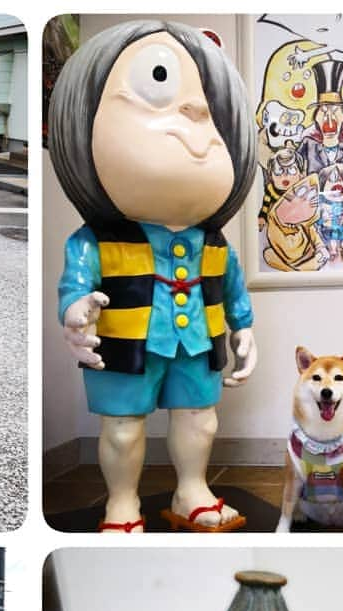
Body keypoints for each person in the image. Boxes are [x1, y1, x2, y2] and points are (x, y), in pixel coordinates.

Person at [49, 20, 258, 534]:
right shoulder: (95, 239)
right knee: (122, 428)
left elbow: (232, 288)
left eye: (213, 108)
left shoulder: (214, 242)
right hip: (125, 346)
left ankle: (193, 491)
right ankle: (122, 502)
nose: (195, 111)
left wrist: (245, 326)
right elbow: (74, 286)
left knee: (199, 418)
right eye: (160, 83)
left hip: (198, 342)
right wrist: (77, 312)